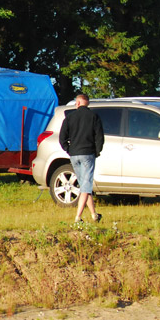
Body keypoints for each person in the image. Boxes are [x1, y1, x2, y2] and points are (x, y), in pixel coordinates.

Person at [59, 93, 105, 223]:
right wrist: (96, 151)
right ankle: (78, 217)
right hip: (88, 153)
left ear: (78, 103)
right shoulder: (94, 117)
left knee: (85, 185)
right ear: (87, 103)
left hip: (74, 154)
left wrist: (68, 150)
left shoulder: (69, 117)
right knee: (86, 186)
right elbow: (100, 138)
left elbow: (62, 138)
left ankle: (94, 215)